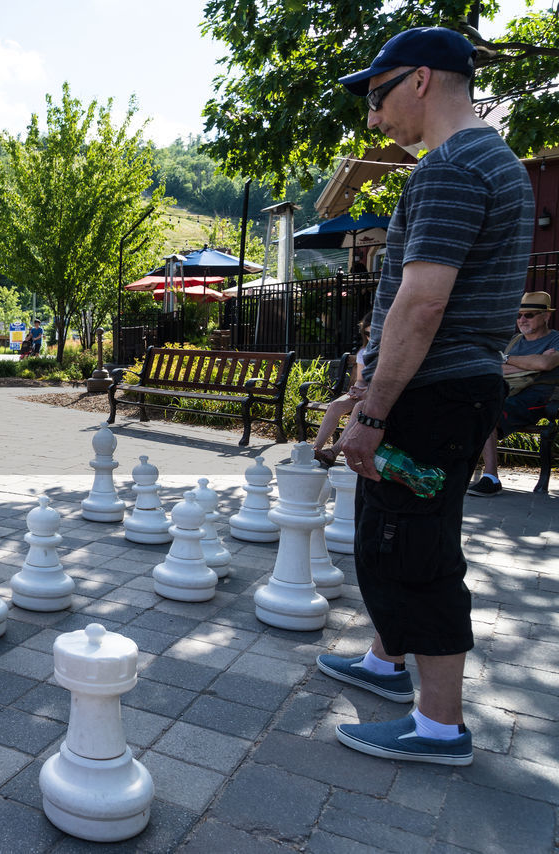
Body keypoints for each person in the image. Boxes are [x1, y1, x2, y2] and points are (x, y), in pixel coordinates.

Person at [325, 27, 533, 766]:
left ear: (419, 80)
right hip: (449, 386)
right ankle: (386, 662)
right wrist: (369, 386)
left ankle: (439, 726)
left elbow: (422, 303)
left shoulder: (449, 167)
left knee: (414, 550)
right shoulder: (493, 158)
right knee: (402, 535)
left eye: (376, 99)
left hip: (431, 393)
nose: (373, 121)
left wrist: (374, 412)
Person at [468, 291, 559, 496]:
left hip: (534, 397)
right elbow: (494, 367)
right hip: (505, 391)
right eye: (518, 315)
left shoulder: (556, 340)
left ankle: (491, 478)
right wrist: (531, 364)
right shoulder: (514, 341)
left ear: (546, 316)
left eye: (529, 315)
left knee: (487, 409)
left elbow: (546, 363)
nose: (522, 319)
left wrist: (506, 360)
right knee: (468, 406)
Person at [312, 318, 371, 463]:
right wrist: (355, 389)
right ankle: (315, 450)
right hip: (364, 391)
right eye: (367, 333)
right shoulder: (364, 352)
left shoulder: (391, 352)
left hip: (379, 395)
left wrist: (365, 392)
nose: (371, 337)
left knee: (358, 408)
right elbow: (361, 379)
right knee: (335, 405)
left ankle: (333, 451)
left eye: (374, 333)